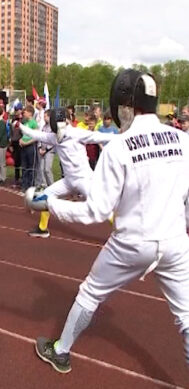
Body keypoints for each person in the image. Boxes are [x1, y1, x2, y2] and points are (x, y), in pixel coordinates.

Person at [27, 69, 189, 373]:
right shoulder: (184, 140)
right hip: (176, 242)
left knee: (90, 292)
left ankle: (61, 352)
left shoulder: (119, 147)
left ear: (123, 104)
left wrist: (50, 204)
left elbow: (95, 212)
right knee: (187, 318)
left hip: (131, 243)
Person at [20, 108, 114, 238]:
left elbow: (99, 137)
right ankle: (42, 229)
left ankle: (127, 235)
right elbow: (36, 135)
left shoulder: (77, 133)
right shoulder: (53, 137)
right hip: (68, 180)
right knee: (45, 197)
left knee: (101, 206)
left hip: (84, 179)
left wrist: (122, 137)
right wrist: (19, 125)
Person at [20, 106, 39, 191]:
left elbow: (36, 136)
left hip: (30, 147)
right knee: (24, 166)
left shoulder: (34, 123)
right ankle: (24, 184)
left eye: (26, 112)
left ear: (30, 113)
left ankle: (30, 185)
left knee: (31, 166)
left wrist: (27, 142)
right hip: (23, 147)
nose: (24, 113)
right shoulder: (25, 123)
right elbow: (23, 134)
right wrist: (21, 140)